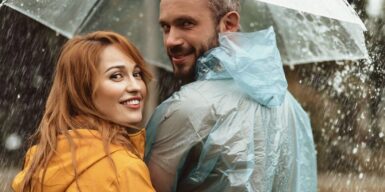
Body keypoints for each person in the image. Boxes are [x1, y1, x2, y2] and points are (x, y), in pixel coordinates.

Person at [145, 0, 317, 191]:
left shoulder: (186, 109)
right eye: (165, 27)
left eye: (186, 24)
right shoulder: (291, 107)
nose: (170, 40)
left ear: (228, 25)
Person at [12, 31, 155, 191]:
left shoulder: (39, 162)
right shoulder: (124, 169)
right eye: (116, 76)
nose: (136, 86)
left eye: (136, 74)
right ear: (83, 89)